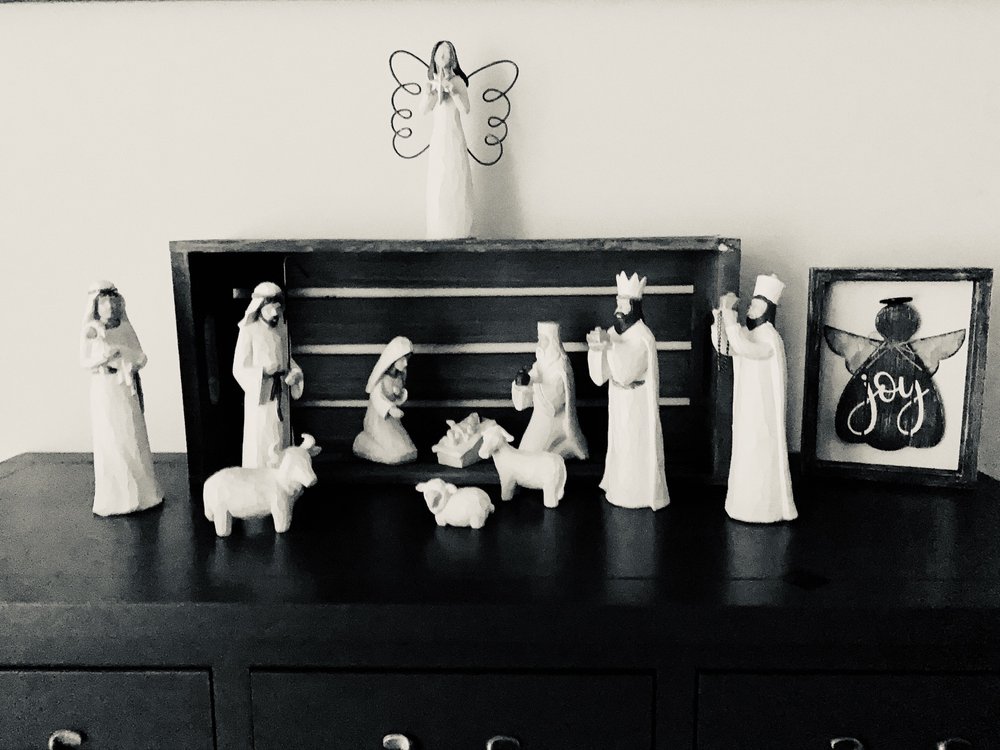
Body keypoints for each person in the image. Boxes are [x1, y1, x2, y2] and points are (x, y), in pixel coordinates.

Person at [710, 274, 797, 523]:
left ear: (766, 309)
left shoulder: (769, 337)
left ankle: (765, 507)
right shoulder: (750, 334)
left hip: (762, 412)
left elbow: (742, 346)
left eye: (755, 305)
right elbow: (726, 347)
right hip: (747, 408)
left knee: (760, 455)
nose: (750, 308)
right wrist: (721, 315)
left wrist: (730, 318)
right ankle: (742, 503)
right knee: (746, 453)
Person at [587, 272, 669, 510]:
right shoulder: (613, 333)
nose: (619, 309)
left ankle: (638, 494)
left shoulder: (643, 337)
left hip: (637, 406)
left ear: (635, 307)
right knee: (620, 447)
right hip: (619, 405)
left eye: (624, 304)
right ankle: (618, 489)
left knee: (636, 449)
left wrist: (608, 347)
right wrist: (596, 349)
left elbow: (625, 373)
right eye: (618, 303)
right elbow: (600, 377)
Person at [80, 281, 163, 516]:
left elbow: (141, 356)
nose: (110, 307)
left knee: (132, 436)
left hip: (125, 388)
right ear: (96, 306)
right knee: (112, 439)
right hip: (105, 388)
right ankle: (116, 497)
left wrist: (126, 356)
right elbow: (84, 361)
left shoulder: (125, 328)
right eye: (104, 303)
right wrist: (104, 358)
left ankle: (144, 493)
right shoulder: (91, 331)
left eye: (113, 302)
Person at [233, 282, 304, 468]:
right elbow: (239, 368)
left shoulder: (282, 330)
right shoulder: (248, 331)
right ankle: (259, 475)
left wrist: (295, 374)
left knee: (281, 435)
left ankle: (282, 477)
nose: (274, 313)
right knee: (262, 436)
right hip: (262, 397)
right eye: (270, 308)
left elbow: (289, 360)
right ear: (260, 306)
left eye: (278, 308)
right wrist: (263, 373)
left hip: (282, 395)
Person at [512, 321, 588, 460]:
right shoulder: (539, 365)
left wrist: (537, 382)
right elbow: (530, 385)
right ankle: (561, 449)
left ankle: (564, 445)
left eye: (543, 340)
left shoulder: (562, 367)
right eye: (539, 340)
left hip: (553, 419)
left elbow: (559, 398)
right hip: (538, 418)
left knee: (531, 458)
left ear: (553, 343)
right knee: (524, 453)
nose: (539, 345)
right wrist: (521, 384)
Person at [423, 39, 474, 240]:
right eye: (440, 53)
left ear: (453, 58)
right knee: (439, 180)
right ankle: (437, 230)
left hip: (454, 137)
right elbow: (424, 110)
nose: (443, 57)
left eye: (447, 53)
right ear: (434, 56)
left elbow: (465, 109)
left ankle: (460, 230)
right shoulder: (432, 83)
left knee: (456, 178)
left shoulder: (458, 82)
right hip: (439, 139)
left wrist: (453, 91)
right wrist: (430, 94)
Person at [353, 336, 418, 465]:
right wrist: (390, 409)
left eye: (407, 359)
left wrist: (399, 394)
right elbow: (377, 398)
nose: (406, 363)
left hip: (391, 420)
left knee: (405, 449)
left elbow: (397, 397)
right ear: (393, 358)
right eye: (402, 359)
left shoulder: (399, 376)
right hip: (379, 419)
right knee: (393, 451)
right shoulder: (382, 380)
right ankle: (362, 442)